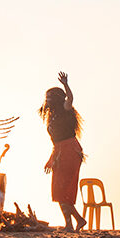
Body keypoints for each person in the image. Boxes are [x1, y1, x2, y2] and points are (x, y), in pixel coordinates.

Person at [40, 74, 87, 230]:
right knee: (58, 190)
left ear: (57, 99)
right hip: (59, 152)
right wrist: (50, 159)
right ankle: (73, 222)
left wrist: (66, 85)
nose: (47, 101)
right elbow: (55, 144)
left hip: (70, 150)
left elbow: (70, 99)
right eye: (46, 98)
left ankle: (73, 222)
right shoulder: (51, 116)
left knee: (64, 189)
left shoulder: (65, 109)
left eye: (50, 98)